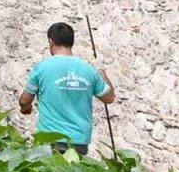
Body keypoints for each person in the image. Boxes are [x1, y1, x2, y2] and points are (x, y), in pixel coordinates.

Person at [18, 22, 117, 155]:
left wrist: (26, 109)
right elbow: (109, 97)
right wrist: (101, 70)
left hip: (48, 139)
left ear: (50, 41)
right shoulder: (89, 70)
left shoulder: (41, 68)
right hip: (79, 142)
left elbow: (24, 101)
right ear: (72, 42)